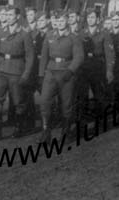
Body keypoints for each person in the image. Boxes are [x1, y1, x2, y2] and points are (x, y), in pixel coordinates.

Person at [0, 5, 35, 141]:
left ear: (17, 17)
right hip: (1, 70)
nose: (8, 18)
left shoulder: (24, 34)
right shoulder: (0, 32)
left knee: (18, 100)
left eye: (10, 15)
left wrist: (26, 74)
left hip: (16, 71)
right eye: (6, 15)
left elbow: (30, 56)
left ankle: (19, 127)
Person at [37, 10, 84, 143]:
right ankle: (46, 132)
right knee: (44, 101)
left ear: (68, 21)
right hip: (51, 72)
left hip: (66, 73)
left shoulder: (74, 37)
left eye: (62, 20)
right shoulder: (49, 35)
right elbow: (44, 56)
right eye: (57, 21)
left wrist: (70, 71)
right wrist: (41, 74)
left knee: (66, 104)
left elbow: (79, 57)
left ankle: (66, 131)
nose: (60, 23)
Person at [78, 8, 115, 118]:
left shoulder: (104, 33)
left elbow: (109, 54)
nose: (90, 19)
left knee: (99, 94)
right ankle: (83, 118)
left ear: (98, 19)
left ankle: (101, 118)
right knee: (82, 94)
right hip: (84, 68)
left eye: (93, 17)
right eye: (88, 17)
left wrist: (109, 70)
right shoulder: (81, 33)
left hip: (98, 67)